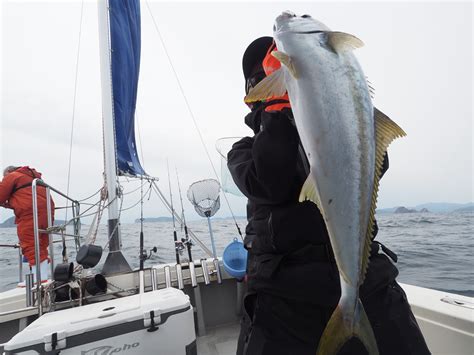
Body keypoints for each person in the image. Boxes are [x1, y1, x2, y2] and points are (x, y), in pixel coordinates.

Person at [228, 37, 430, 355]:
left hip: (368, 284)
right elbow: (271, 181)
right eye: (267, 74)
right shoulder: (242, 151)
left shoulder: (335, 127)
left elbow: (377, 164)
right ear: (256, 94)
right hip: (284, 299)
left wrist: (344, 103)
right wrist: (278, 114)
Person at [0, 165, 54, 282]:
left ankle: (39, 279)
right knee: (41, 244)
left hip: (30, 213)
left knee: (30, 244)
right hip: (48, 212)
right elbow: (24, 197)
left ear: (9, 172)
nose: (4, 179)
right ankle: (42, 276)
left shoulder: (12, 176)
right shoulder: (34, 178)